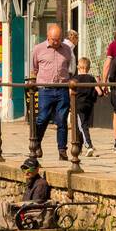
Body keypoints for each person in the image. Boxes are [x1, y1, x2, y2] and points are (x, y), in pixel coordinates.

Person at [30, 24, 73, 161]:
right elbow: (34, 69)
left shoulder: (67, 49)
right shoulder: (38, 49)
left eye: (59, 39)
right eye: (54, 39)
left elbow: (69, 67)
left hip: (62, 88)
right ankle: (36, 143)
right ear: (48, 37)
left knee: (62, 120)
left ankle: (62, 150)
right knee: (43, 118)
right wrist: (33, 83)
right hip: (45, 89)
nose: (56, 42)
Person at [70, 57, 99, 156]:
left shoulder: (75, 79)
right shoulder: (91, 78)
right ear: (89, 68)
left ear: (78, 67)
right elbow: (99, 91)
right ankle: (79, 147)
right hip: (89, 105)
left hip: (78, 105)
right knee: (82, 125)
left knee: (82, 126)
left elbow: (71, 92)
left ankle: (89, 145)